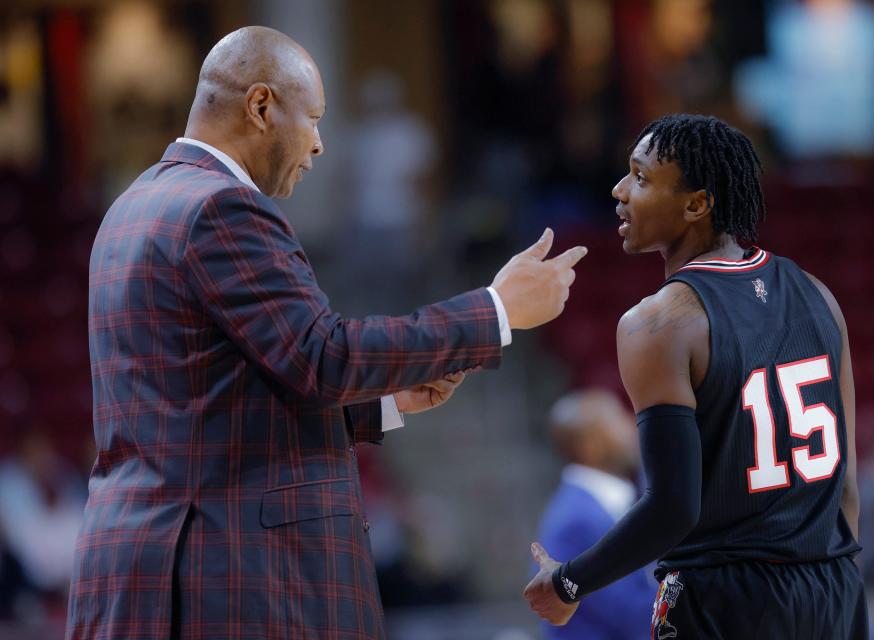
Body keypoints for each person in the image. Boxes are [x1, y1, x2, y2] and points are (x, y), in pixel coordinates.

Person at [66, 26, 587, 640]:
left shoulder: (129, 208)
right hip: (227, 580)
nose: (318, 145)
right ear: (261, 106)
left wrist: (387, 400)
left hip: (143, 575)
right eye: (312, 119)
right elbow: (326, 355)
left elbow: (205, 407)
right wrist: (497, 310)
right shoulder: (221, 206)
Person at [524, 114, 866, 639]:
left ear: (696, 204)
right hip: (833, 588)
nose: (618, 191)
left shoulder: (658, 322)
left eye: (639, 178)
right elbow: (845, 485)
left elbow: (673, 507)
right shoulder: (817, 293)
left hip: (727, 601)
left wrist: (568, 583)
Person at [535, 389, 658, 640]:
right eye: (615, 420)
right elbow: (631, 615)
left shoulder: (605, 504)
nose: (630, 427)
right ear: (588, 446)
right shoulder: (578, 520)